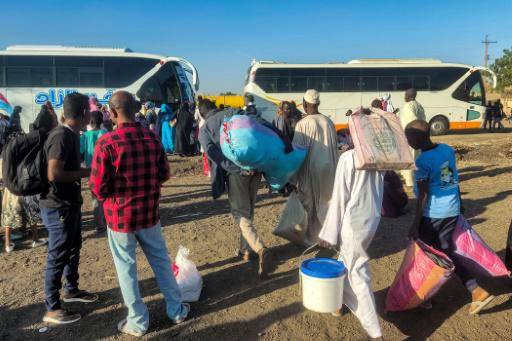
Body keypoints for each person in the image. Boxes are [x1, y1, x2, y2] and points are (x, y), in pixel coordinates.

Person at [89, 91, 189, 337]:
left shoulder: (107, 143)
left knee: (127, 270)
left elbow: (97, 187)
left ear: (111, 113)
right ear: (135, 110)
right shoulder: (152, 139)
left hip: (119, 219)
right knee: (161, 263)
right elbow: (164, 174)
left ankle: (137, 322)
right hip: (148, 215)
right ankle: (176, 310)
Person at [404, 119, 495, 315]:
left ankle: (432, 295)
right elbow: (451, 178)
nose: (407, 141)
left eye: (408, 137)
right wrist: (460, 203)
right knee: (443, 250)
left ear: (418, 137)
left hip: (434, 214)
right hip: (451, 209)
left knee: (431, 255)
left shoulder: (422, 161)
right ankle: (472, 288)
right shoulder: (446, 149)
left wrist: (415, 224)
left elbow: (424, 195)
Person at [40, 92, 97, 324]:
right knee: (58, 254)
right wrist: (88, 172)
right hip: (58, 206)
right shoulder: (62, 136)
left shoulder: (72, 134)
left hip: (69, 203)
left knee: (73, 247)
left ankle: (71, 290)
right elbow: (54, 173)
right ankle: (52, 308)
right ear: (84, 112)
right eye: (89, 110)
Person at [198, 99, 272, 276]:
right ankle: (245, 250)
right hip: (256, 167)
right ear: (215, 107)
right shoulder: (234, 113)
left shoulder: (205, 129)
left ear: (201, 114)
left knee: (240, 213)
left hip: (237, 173)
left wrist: (235, 168)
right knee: (249, 210)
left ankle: (260, 249)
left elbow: (213, 153)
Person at [318, 146, 385, 341]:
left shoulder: (349, 157)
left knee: (357, 273)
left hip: (354, 223)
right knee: (345, 262)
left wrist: (328, 233)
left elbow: (340, 197)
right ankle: (337, 304)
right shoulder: (379, 156)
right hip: (371, 219)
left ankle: (375, 333)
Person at [2, 107, 56, 253]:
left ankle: (9, 242)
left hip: (11, 185)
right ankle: (33, 238)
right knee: (31, 212)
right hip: (27, 182)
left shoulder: (20, 141)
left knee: (10, 214)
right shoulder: (39, 139)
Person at [290, 89, 338, 245]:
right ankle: (328, 238)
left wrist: (292, 178)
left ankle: (312, 238)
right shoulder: (328, 122)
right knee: (327, 201)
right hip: (330, 168)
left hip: (310, 169)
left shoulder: (302, 124)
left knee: (309, 202)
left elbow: (297, 153)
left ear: (304, 103)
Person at [80, 111, 107, 233]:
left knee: (95, 197)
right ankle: (108, 219)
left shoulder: (85, 136)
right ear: (101, 121)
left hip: (91, 171)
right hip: (105, 169)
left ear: (90, 122)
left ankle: (99, 224)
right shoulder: (104, 133)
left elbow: (80, 151)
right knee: (107, 195)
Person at [399, 88, 426, 187]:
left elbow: (410, 122)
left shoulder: (408, 106)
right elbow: (423, 120)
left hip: (410, 137)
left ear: (408, 96)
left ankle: (410, 181)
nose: (404, 97)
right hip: (420, 137)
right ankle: (417, 178)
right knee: (417, 158)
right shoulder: (419, 105)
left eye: (405, 95)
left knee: (410, 158)